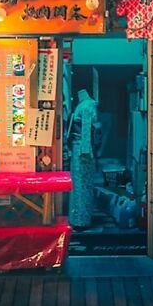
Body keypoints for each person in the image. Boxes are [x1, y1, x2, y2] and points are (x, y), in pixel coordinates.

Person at [66, 86, 101, 230]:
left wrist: (86, 151)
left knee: (82, 183)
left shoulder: (87, 105)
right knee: (79, 183)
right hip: (79, 147)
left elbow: (86, 129)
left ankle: (81, 220)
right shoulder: (84, 104)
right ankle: (78, 217)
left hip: (82, 149)